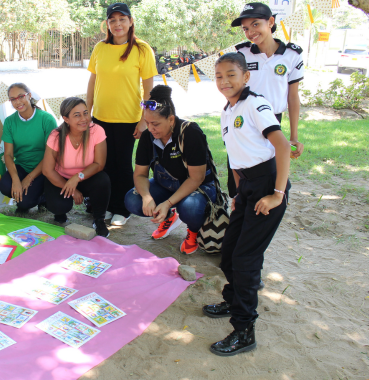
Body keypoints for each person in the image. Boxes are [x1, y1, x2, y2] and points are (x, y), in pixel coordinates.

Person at [204, 53, 291, 356]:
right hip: (249, 189)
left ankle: (244, 331)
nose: (224, 81)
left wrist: (277, 194)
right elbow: (237, 156)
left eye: (231, 74)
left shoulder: (255, 103)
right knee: (228, 253)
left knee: (245, 259)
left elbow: (282, 146)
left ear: (245, 77)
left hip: (269, 185)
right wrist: (240, 193)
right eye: (218, 76)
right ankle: (232, 298)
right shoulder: (228, 110)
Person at [86, 2, 158, 226]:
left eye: (122, 19)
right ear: (107, 24)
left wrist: (144, 119)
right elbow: (92, 81)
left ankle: (122, 209)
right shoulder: (100, 48)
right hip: (100, 117)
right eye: (112, 20)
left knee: (123, 164)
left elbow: (149, 90)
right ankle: (106, 205)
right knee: (103, 164)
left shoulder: (142, 49)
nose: (117, 24)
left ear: (130, 21)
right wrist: (87, 113)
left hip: (128, 119)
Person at [124, 85, 217, 254]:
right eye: (147, 123)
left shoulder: (190, 132)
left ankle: (193, 231)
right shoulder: (147, 136)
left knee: (189, 207)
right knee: (132, 200)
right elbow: (140, 174)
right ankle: (168, 216)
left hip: (199, 186)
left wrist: (167, 203)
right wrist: (146, 197)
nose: (150, 129)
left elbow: (197, 178)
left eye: (155, 124)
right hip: (167, 185)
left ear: (171, 120)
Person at [225, 2, 304, 198]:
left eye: (255, 24)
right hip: (242, 119)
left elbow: (293, 97)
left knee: (268, 172)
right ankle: (238, 211)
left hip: (272, 120)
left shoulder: (292, 55)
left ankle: (266, 210)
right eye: (245, 28)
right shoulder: (241, 53)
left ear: (270, 22)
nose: (250, 32)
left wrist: (293, 136)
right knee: (239, 172)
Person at [42, 97, 110, 237]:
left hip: (85, 177)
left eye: (85, 113)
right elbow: (47, 170)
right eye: (77, 115)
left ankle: (99, 220)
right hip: (60, 180)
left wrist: (77, 178)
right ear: (66, 119)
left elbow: (99, 164)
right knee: (59, 206)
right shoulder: (56, 136)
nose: (84, 118)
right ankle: (59, 213)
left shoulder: (96, 131)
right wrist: (72, 190)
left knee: (103, 180)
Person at [0, 83, 57, 213]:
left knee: (25, 203)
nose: (17, 102)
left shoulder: (46, 119)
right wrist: (16, 180)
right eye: (13, 99)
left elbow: (51, 155)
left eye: (21, 96)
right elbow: (8, 155)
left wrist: (29, 178)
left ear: (29, 96)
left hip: (44, 168)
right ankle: (28, 196)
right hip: (22, 166)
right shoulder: (9, 122)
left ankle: (42, 197)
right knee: (4, 185)